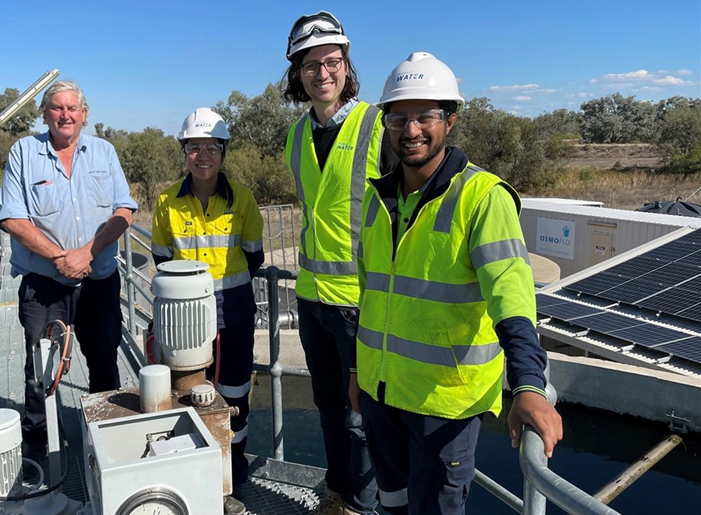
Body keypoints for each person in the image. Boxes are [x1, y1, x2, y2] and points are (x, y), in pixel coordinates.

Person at [353, 52, 564, 515]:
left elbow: (512, 295)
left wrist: (528, 383)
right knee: (390, 504)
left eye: (425, 117)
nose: (411, 131)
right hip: (380, 394)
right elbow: (368, 295)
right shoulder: (376, 199)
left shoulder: (482, 198)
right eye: (399, 118)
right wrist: (357, 373)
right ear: (386, 123)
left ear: (450, 120)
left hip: (444, 407)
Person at [282, 10, 398, 515]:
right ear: (298, 74)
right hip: (311, 300)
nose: (321, 73)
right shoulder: (295, 137)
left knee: (362, 418)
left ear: (347, 66)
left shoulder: (379, 125)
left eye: (331, 62)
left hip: (362, 304)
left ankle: (364, 507)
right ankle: (337, 496)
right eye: (310, 65)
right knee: (329, 410)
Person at [0, 80, 138, 450]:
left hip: (98, 279)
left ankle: (105, 439)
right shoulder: (24, 153)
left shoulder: (104, 153)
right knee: (41, 370)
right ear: (45, 114)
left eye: (72, 108)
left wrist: (88, 252)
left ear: (84, 115)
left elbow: (124, 210)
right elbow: (12, 218)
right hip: (45, 284)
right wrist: (60, 258)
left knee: (105, 361)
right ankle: (39, 444)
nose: (65, 115)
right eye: (57, 108)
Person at [151, 107, 264, 515]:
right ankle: (192, 472)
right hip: (183, 319)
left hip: (233, 313)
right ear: (184, 152)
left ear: (223, 152)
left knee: (235, 395)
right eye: (194, 147)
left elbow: (253, 257)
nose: (203, 156)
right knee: (186, 396)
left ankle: (232, 473)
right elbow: (162, 259)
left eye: (212, 147)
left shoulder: (243, 199)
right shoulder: (167, 202)